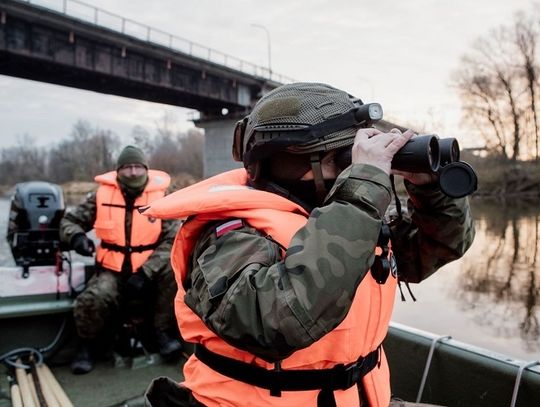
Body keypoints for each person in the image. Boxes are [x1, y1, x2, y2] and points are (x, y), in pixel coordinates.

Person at [141, 83, 475, 406]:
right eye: (339, 159)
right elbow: (272, 325)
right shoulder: (230, 233)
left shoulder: (343, 217)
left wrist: (431, 191)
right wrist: (361, 189)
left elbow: (439, 246)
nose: (348, 170)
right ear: (286, 162)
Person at [60, 145, 182, 374]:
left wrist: (146, 272)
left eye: (138, 167)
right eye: (127, 167)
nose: (133, 172)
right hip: (112, 270)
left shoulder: (162, 196)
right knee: (94, 297)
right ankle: (86, 345)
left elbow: (173, 239)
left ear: (146, 169)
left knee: (174, 276)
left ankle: (162, 333)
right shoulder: (100, 195)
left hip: (149, 270)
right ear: (118, 171)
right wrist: (76, 237)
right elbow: (69, 221)